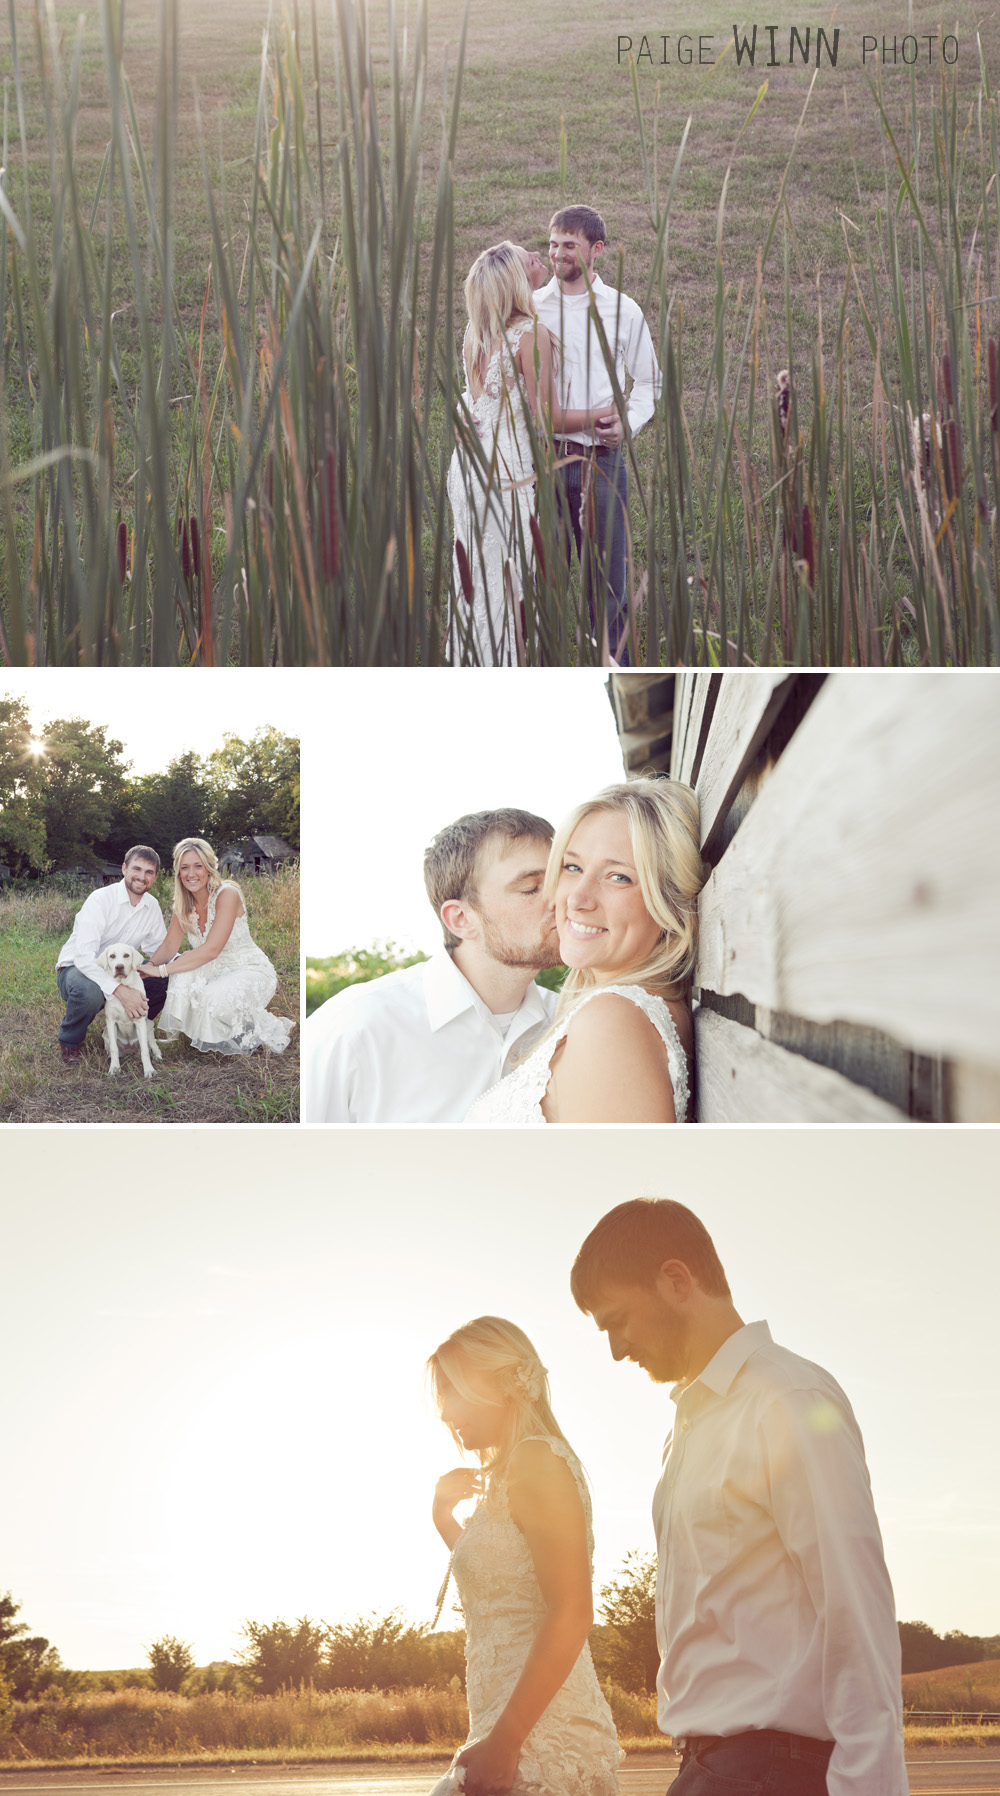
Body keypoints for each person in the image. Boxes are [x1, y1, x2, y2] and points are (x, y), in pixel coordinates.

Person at [571, 1198, 908, 1796]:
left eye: (617, 1319)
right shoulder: (688, 1425)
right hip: (710, 1768)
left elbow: (856, 1608)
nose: (617, 1349)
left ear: (676, 1279)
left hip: (773, 1771)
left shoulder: (788, 1398)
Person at [428, 1316, 620, 1796]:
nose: (444, 1411)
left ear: (502, 1385)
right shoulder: (513, 1469)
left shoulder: (538, 1460)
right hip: (504, 1723)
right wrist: (443, 1519)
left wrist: (507, 1740)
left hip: (537, 1731)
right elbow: (502, 1581)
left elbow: (572, 1610)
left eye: (451, 1390)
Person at [465, 777, 705, 1125]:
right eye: (572, 867)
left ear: (670, 904)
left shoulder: (611, 1020)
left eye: (618, 877)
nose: (576, 899)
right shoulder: (626, 1010)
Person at [304, 808, 561, 1123]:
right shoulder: (353, 1030)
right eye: (532, 888)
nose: (563, 901)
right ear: (461, 919)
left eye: (562, 882)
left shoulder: (573, 1024)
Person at [447, 242, 610, 666]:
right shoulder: (529, 334)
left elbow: (472, 401)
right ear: (515, 280)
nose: (539, 257)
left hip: (467, 469)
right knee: (509, 579)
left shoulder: (475, 333)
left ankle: (476, 658)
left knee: (479, 578)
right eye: (529, 259)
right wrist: (607, 412)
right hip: (506, 473)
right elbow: (549, 419)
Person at [534, 205, 661, 665]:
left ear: (596, 250)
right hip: (541, 462)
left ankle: (615, 670)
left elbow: (649, 383)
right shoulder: (532, 305)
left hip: (601, 464)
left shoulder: (623, 309)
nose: (558, 254)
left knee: (609, 587)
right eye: (553, 244)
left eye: (569, 245)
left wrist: (626, 424)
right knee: (541, 585)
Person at [140, 838, 294, 1055]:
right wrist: (150, 966)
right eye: (185, 867)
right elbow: (169, 945)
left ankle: (247, 1030)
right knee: (182, 975)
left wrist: (162, 970)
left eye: (197, 866)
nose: (191, 874)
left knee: (209, 996)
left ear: (209, 867)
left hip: (248, 969)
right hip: (213, 969)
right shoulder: (183, 904)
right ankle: (206, 1031)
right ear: (178, 872)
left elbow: (212, 950)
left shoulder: (227, 894)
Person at [55, 846, 169, 1065]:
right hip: (76, 970)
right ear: (124, 869)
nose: (141, 877)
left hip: (123, 967)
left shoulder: (151, 906)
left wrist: (182, 962)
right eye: (137, 868)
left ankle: (130, 1031)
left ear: (155, 877)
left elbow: (159, 949)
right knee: (90, 991)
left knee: (164, 977)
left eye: (149, 872)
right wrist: (120, 990)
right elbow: (83, 957)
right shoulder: (100, 899)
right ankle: (70, 1043)